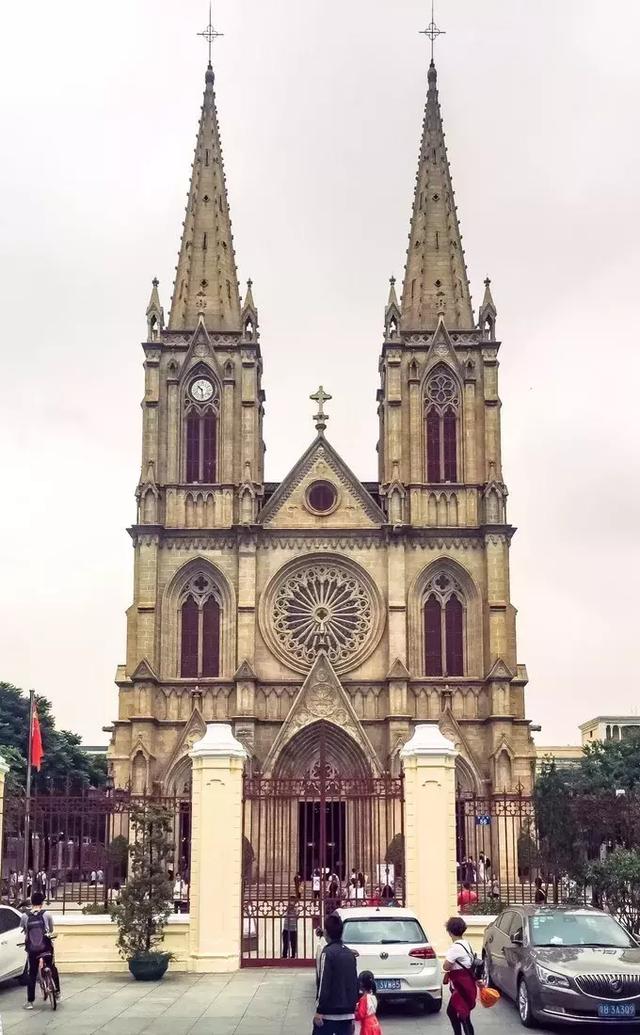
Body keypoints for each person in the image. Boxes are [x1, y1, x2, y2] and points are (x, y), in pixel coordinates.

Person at [314, 912, 359, 1035]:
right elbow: (354, 983)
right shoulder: (350, 954)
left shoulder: (327, 953)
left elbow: (324, 982)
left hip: (329, 1014)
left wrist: (319, 1010)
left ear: (327, 933)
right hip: (347, 1014)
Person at [21, 891, 61, 1010]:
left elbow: (24, 929)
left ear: (31, 903)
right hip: (46, 947)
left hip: (32, 949)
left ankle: (30, 1002)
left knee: (32, 973)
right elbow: (51, 929)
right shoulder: (47, 914)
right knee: (52, 966)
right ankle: (57, 992)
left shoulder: (25, 916)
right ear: (42, 903)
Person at [443, 916, 478, 1035]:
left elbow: (446, 966)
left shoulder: (455, 947)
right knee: (456, 1013)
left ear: (449, 931)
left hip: (462, 987)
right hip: (467, 985)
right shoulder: (466, 943)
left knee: (463, 1016)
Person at [355, 970, 382, 1034]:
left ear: (361, 984)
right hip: (375, 1023)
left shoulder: (363, 999)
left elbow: (360, 1015)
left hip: (367, 1026)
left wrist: (353, 1013)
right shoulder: (373, 996)